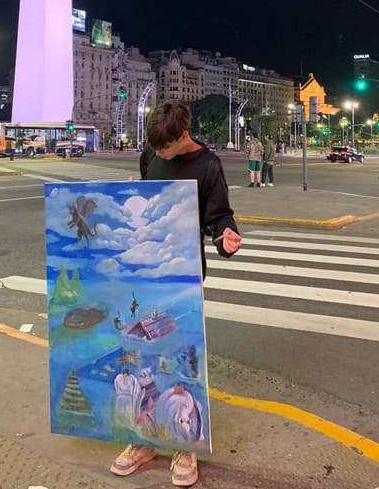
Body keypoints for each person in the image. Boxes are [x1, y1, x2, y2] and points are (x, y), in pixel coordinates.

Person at [110, 100, 242, 487]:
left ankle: (186, 444)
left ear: (183, 136)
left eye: (164, 149)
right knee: (139, 359)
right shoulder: (150, 154)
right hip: (144, 272)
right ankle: (143, 439)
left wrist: (226, 237)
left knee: (184, 358)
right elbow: (147, 205)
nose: (158, 155)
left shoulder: (208, 166)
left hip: (183, 274)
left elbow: (218, 217)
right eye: (154, 150)